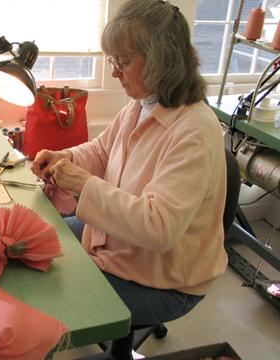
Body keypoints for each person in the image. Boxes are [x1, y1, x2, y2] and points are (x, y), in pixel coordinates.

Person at [31, 0, 228, 358]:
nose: (114, 73)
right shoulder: (141, 104)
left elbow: (158, 227)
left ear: (161, 61)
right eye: (112, 61)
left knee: (48, 298)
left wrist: (82, 183)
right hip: (122, 245)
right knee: (38, 241)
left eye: (122, 62)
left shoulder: (194, 132)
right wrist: (67, 158)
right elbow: (104, 152)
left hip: (167, 281)